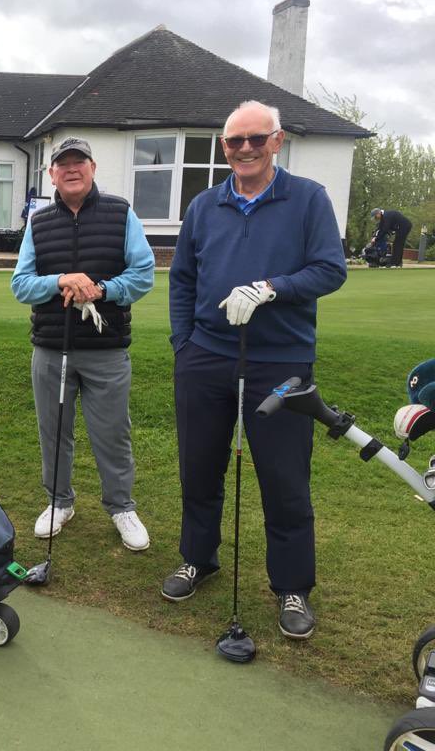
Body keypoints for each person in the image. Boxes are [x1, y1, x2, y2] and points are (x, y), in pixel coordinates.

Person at [165, 101, 347, 639]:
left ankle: (292, 587)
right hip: (206, 356)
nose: (244, 149)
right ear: (223, 147)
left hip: (281, 360)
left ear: (277, 141)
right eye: (234, 141)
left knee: (285, 480)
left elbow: (329, 269)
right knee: (199, 468)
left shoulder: (308, 198)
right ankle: (197, 558)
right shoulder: (204, 205)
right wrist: (185, 344)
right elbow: (182, 279)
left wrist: (271, 288)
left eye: (255, 139)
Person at [10, 137, 155, 551]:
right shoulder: (38, 222)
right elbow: (21, 285)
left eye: (79, 162)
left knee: (112, 432)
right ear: (51, 174)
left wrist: (102, 290)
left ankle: (121, 506)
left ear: (92, 168)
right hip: (51, 347)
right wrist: (60, 280)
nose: (71, 169)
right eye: (63, 164)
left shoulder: (120, 213)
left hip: (106, 348)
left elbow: (143, 275)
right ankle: (59, 502)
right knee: (53, 432)